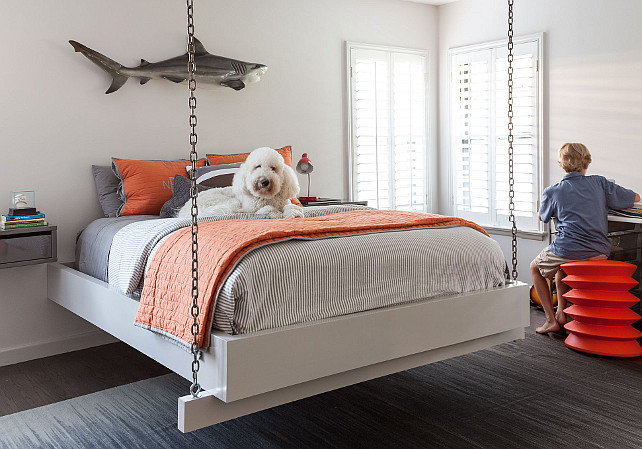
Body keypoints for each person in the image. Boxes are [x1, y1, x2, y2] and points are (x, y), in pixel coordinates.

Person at [530, 143, 640, 334]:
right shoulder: (600, 183)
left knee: (534, 267)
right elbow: (635, 198)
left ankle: (550, 320)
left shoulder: (553, 191)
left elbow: (543, 216)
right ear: (586, 163)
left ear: (562, 165)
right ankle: (561, 315)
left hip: (567, 250)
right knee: (561, 270)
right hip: (599, 252)